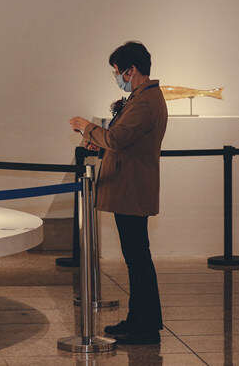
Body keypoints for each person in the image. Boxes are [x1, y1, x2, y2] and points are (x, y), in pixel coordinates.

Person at [69, 41, 167, 345]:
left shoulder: (145, 102)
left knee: (138, 258)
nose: (117, 77)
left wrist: (87, 128)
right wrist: (98, 140)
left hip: (132, 188)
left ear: (131, 70)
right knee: (136, 258)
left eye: (117, 71)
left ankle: (145, 326)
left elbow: (117, 138)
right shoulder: (142, 98)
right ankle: (139, 320)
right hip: (130, 186)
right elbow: (122, 139)